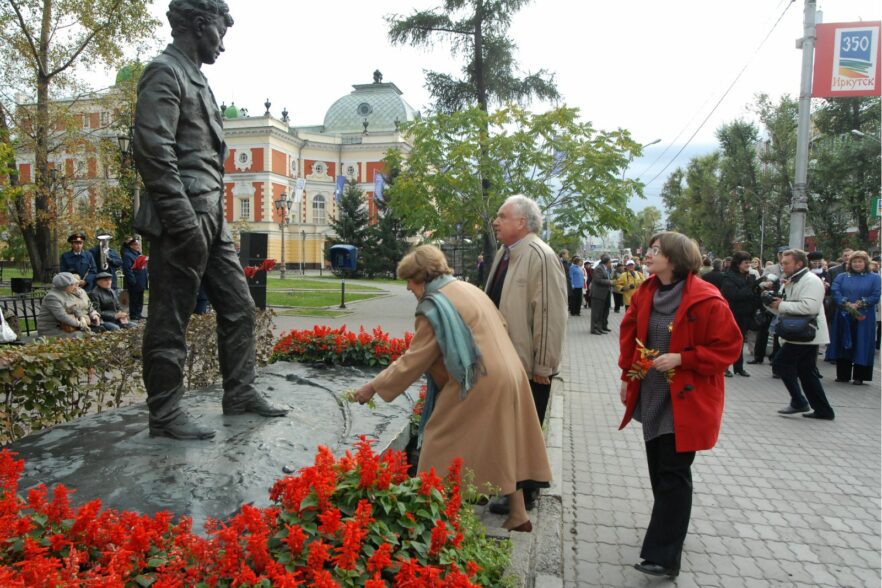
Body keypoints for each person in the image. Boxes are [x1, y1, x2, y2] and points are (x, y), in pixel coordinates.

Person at [133, 0, 286, 440]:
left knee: (239, 308)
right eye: (221, 31)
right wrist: (182, 219)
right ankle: (164, 415)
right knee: (170, 318)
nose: (223, 43)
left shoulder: (197, 78)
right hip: (182, 217)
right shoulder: (165, 71)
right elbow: (153, 149)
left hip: (211, 218)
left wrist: (210, 218)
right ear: (200, 25)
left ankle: (239, 393)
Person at [355, 246, 552, 532]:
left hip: (478, 379)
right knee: (505, 441)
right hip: (509, 372)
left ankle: (433, 522)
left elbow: (415, 359)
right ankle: (519, 514)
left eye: (410, 281)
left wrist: (372, 387)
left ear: (422, 277)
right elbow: (502, 322)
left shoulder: (434, 306)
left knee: (438, 443)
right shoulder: (466, 288)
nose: (409, 288)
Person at [618, 231, 742, 579]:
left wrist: (683, 359)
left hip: (687, 399)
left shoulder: (707, 300)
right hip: (654, 393)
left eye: (655, 251)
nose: (647, 255)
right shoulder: (647, 291)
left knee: (674, 473)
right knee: (660, 469)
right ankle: (670, 529)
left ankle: (664, 556)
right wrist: (628, 379)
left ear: (674, 259)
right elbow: (630, 335)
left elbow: (728, 348)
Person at [484, 194, 567, 515]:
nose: (496, 221)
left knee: (525, 431)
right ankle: (508, 485)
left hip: (529, 366)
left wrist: (544, 364)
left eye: (502, 216)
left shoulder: (539, 256)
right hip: (505, 362)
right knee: (509, 428)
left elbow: (549, 315)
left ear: (522, 222)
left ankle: (526, 493)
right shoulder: (507, 253)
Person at [765, 249, 834, 420]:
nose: (783, 266)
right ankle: (823, 410)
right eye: (782, 263)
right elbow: (784, 306)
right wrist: (769, 303)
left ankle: (799, 401)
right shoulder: (793, 280)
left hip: (806, 333)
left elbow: (809, 307)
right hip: (800, 333)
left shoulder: (810, 281)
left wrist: (781, 305)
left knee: (781, 364)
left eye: (786, 263)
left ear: (799, 264)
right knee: (806, 372)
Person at [825, 251, 880, 385]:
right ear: (850, 263)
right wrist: (846, 303)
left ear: (866, 263)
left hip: (864, 316)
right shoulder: (842, 277)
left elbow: (876, 294)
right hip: (844, 314)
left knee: (862, 343)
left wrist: (860, 303)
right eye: (854, 261)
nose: (857, 264)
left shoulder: (875, 278)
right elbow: (835, 291)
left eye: (860, 261)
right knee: (843, 342)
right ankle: (843, 375)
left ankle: (860, 376)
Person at [720, 251, 757, 377]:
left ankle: (739, 367)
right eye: (746, 262)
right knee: (729, 341)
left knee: (740, 341)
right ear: (738, 263)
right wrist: (750, 287)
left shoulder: (750, 276)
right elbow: (734, 295)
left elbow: (753, 294)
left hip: (746, 313)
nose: (748, 265)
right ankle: (724, 367)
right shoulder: (728, 277)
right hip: (732, 313)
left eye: (749, 262)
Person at [37, 272, 102, 338]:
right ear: (64, 286)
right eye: (72, 285)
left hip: (66, 327)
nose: (75, 287)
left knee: (93, 333)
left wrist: (81, 317)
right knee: (81, 336)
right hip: (51, 330)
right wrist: (80, 324)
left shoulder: (66, 293)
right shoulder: (52, 297)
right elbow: (62, 316)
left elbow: (74, 307)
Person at [122, 236, 148, 320]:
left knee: (140, 297)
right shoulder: (127, 255)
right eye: (136, 245)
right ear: (131, 246)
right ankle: (134, 315)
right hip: (135, 280)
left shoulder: (138, 254)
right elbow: (127, 269)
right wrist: (132, 280)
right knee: (134, 298)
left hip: (141, 279)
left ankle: (139, 313)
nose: (138, 246)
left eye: (138, 244)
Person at [589, 255, 613, 334]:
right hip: (597, 294)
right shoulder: (599, 268)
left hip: (603, 294)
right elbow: (597, 280)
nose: (611, 264)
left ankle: (599, 328)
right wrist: (609, 282)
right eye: (610, 262)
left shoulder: (605, 268)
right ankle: (594, 329)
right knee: (596, 313)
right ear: (607, 262)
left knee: (600, 312)